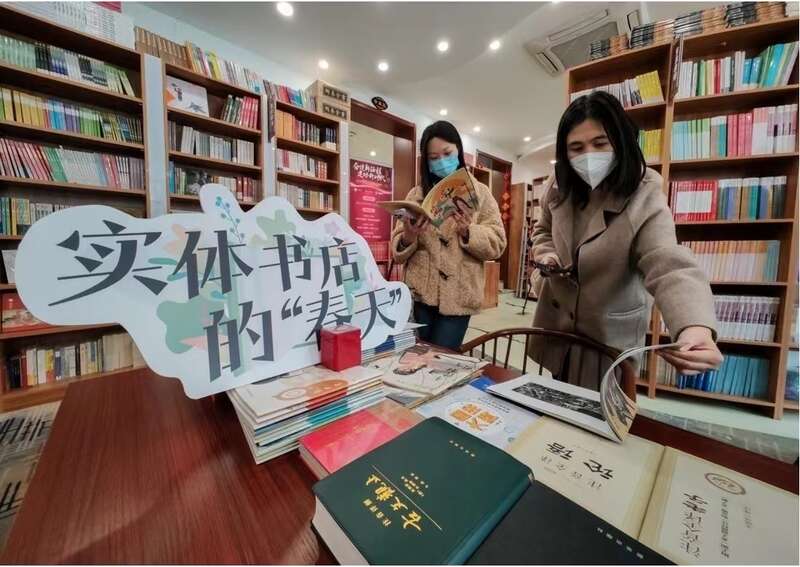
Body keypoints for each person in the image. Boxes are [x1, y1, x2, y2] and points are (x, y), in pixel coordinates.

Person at [528, 91, 722, 390]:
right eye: (576, 148)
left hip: (607, 336)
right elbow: (542, 231)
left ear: (620, 141)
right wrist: (547, 255)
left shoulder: (644, 192)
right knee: (556, 401)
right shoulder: (559, 185)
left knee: (604, 409)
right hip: (557, 325)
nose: (588, 156)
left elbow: (667, 261)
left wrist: (693, 325)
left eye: (600, 143)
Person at [391, 121, 506, 350]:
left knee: (441, 358)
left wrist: (468, 231)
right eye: (433, 157)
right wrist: (409, 237)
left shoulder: (481, 193)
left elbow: (498, 242)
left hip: (459, 295)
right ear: (426, 161)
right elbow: (397, 250)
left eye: (447, 153)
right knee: (416, 356)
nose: (441, 161)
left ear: (459, 151)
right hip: (420, 293)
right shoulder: (416, 194)